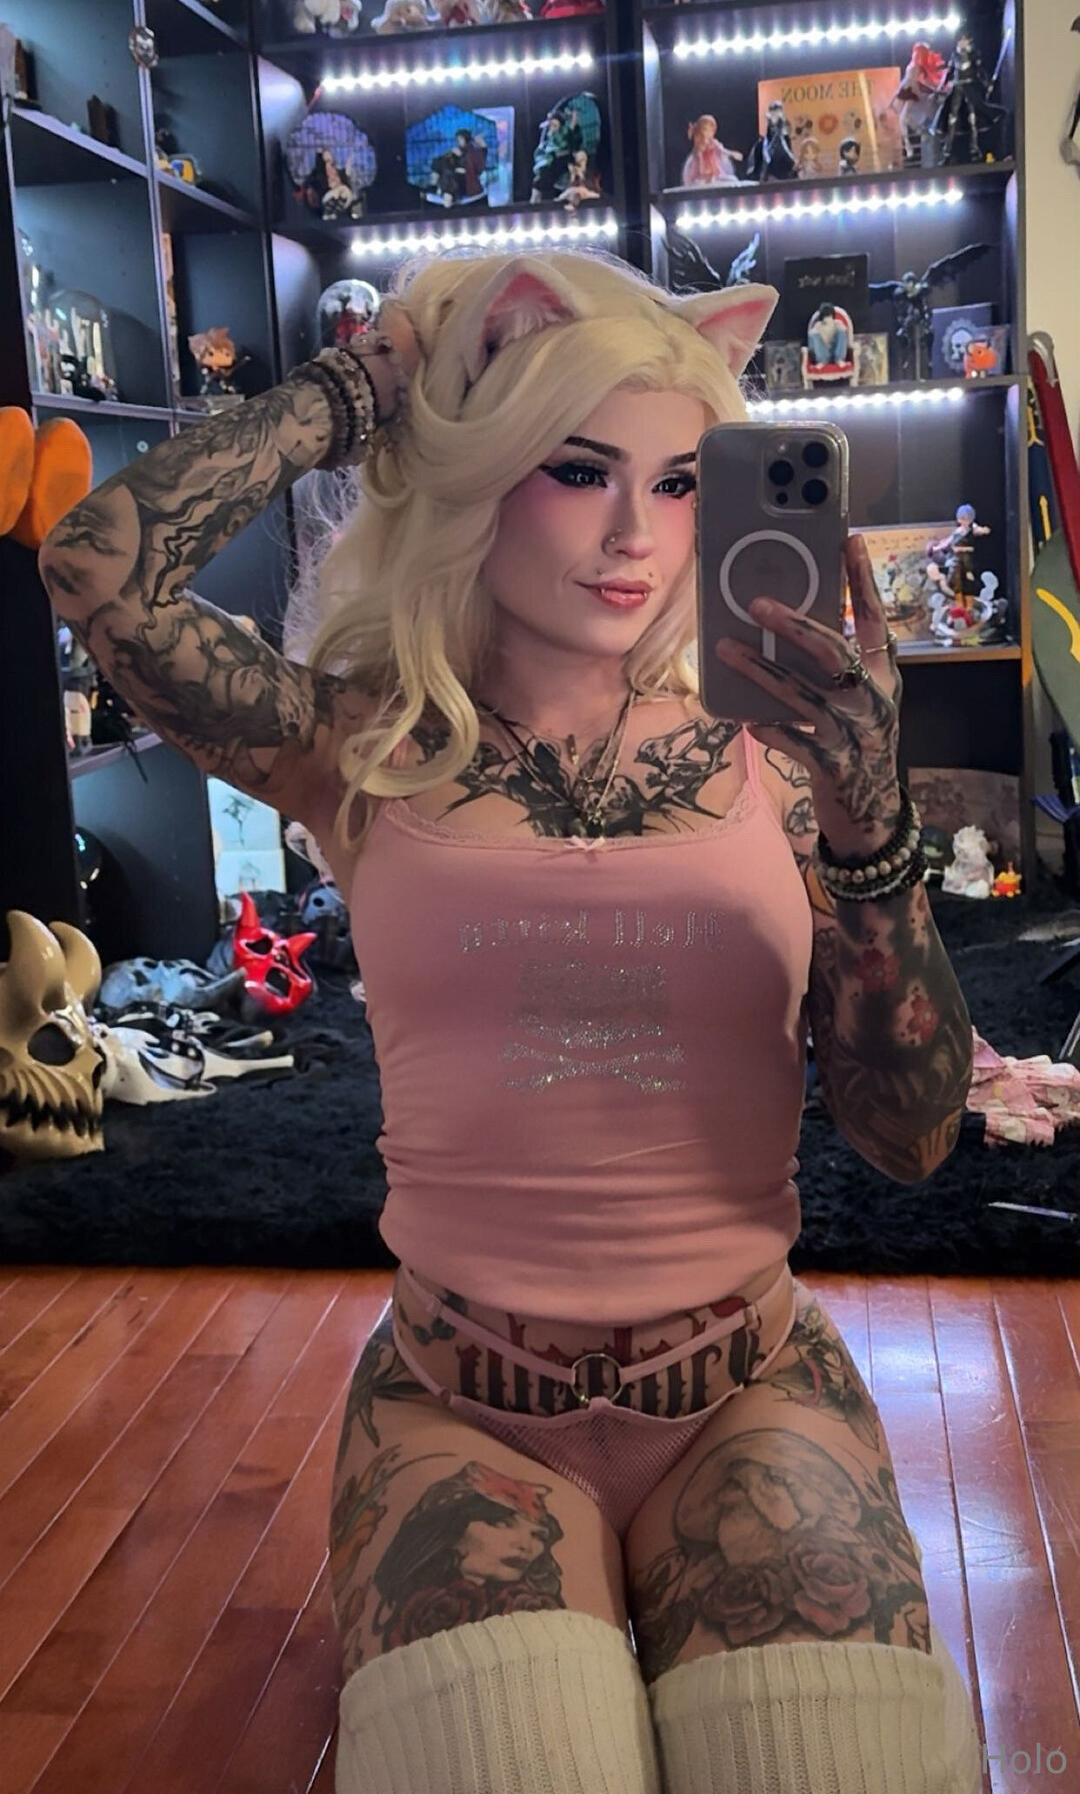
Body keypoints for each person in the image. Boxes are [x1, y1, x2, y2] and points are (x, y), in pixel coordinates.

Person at [37, 251, 981, 1794]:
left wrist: (873, 828)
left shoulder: (783, 754)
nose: (637, 536)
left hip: (744, 1389)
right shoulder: (359, 741)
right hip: (460, 1408)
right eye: (578, 469)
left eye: (680, 480)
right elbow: (94, 569)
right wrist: (371, 383)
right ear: (482, 470)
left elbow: (914, 1139)